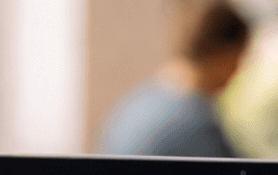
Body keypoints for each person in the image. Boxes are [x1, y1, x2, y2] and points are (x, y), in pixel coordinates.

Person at [99, 1, 250, 159]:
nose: (236, 73)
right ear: (221, 53)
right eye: (236, 61)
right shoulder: (195, 124)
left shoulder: (133, 107)